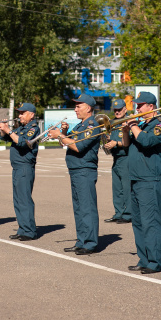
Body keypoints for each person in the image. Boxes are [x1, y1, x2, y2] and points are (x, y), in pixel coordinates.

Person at [122, 92, 161, 274]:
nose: (137, 109)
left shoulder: (160, 124)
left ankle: (155, 261)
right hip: (136, 178)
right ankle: (143, 259)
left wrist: (134, 126)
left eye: (140, 105)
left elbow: (147, 141)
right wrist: (126, 131)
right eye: (136, 105)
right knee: (138, 222)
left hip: (150, 179)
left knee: (151, 221)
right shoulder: (142, 125)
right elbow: (126, 145)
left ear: (151, 106)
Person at [49, 94, 100, 255]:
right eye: (75, 106)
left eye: (79, 106)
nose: (75, 109)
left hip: (85, 170)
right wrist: (63, 132)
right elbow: (67, 142)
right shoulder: (80, 126)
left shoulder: (92, 125)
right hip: (76, 170)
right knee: (79, 208)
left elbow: (78, 147)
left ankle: (90, 243)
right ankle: (81, 240)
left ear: (89, 108)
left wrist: (61, 135)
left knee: (87, 208)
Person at [0, 103, 40, 241]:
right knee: (18, 200)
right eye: (19, 113)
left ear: (31, 114)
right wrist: (4, 130)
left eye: (23, 113)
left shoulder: (33, 128)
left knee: (24, 199)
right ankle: (23, 228)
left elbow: (23, 142)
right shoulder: (22, 127)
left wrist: (9, 130)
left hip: (25, 167)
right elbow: (5, 138)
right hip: (17, 167)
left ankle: (29, 231)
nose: (19, 115)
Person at [102, 99, 132, 224]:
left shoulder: (130, 122)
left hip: (126, 158)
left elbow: (129, 142)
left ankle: (128, 214)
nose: (117, 112)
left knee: (127, 188)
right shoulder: (112, 123)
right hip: (116, 159)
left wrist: (116, 143)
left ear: (125, 109)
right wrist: (107, 140)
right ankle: (118, 213)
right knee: (117, 188)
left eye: (120, 109)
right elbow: (113, 138)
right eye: (115, 110)